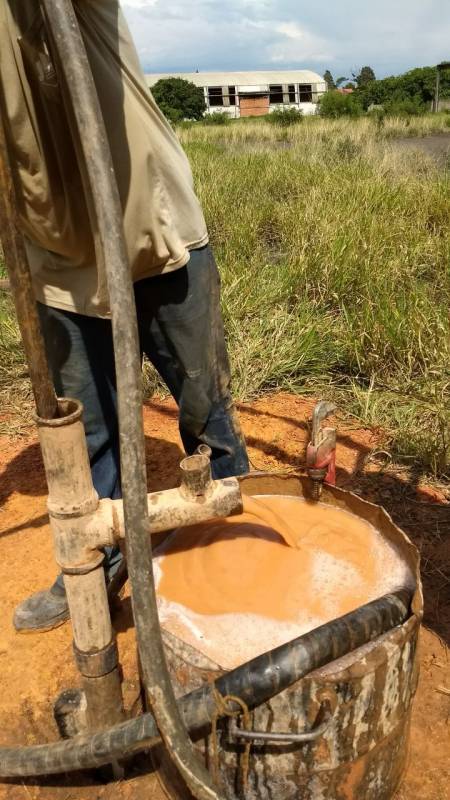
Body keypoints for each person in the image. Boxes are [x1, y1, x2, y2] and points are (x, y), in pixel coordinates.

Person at [0, 0, 249, 632]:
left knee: (203, 403)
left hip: (152, 225)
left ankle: (232, 523)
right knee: (88, 425)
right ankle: (103, 552)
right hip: (56, 250)